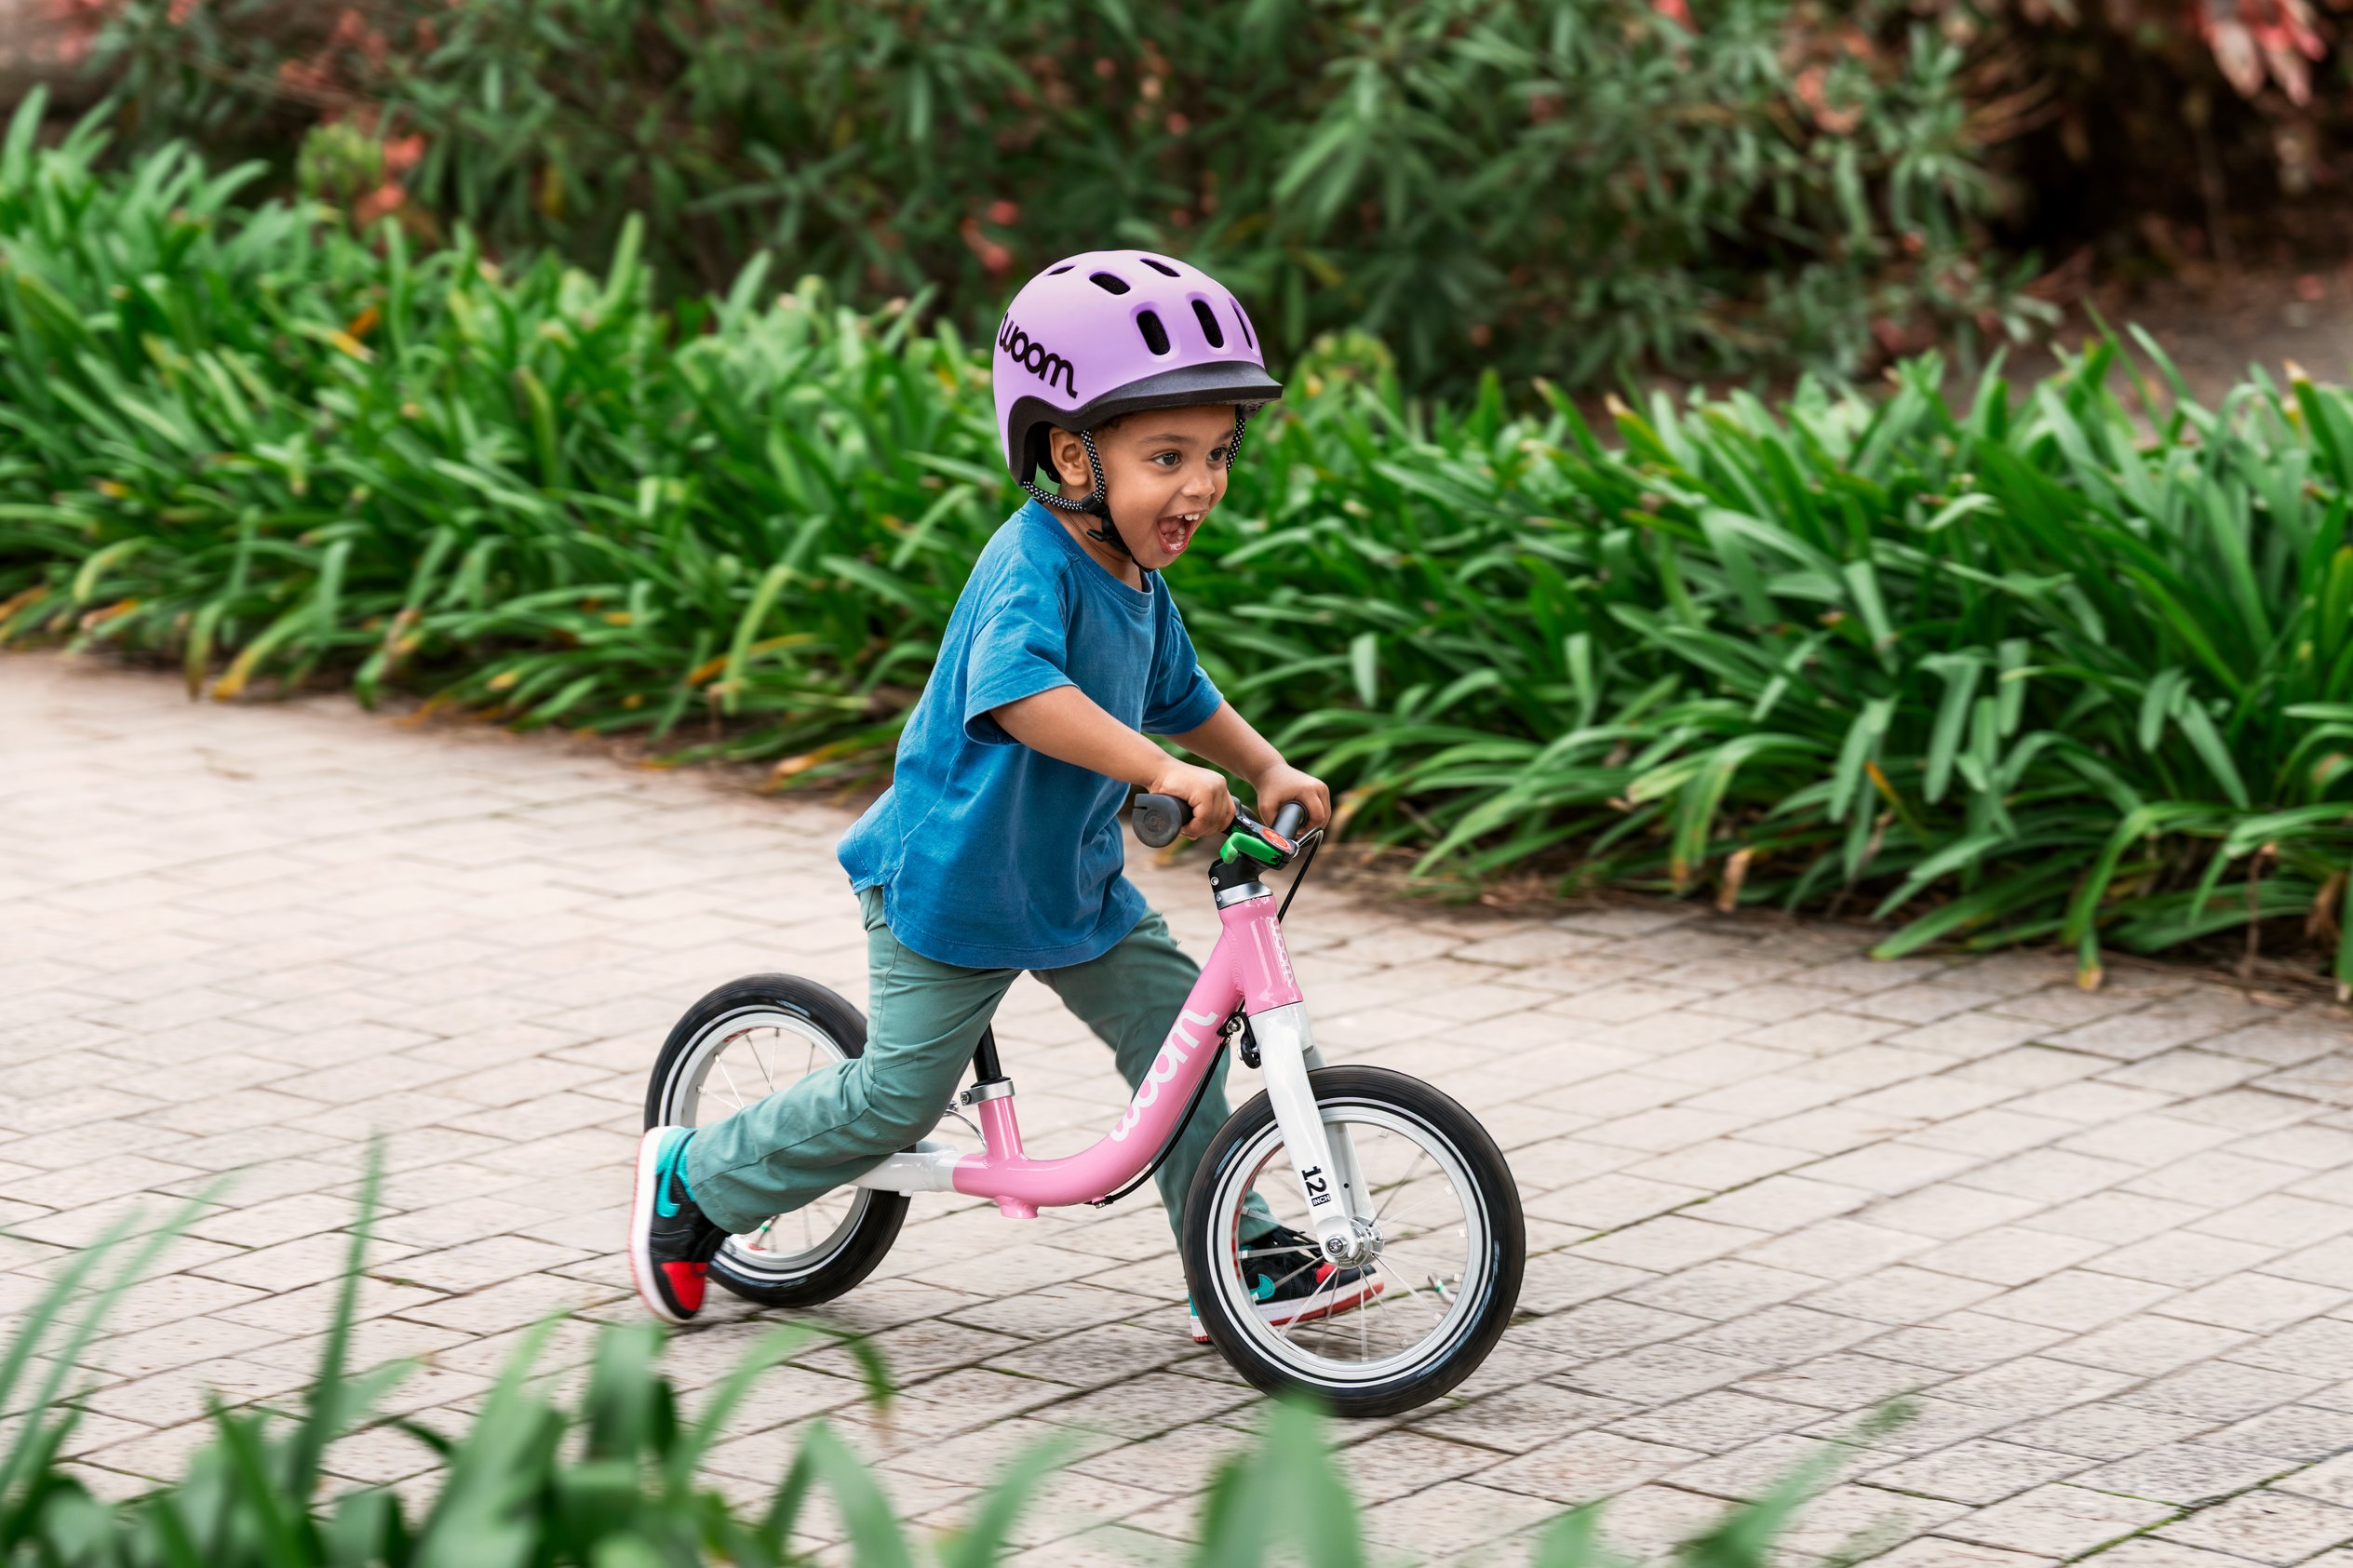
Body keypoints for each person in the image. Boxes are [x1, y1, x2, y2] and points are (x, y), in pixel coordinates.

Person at [628, 250, 1365, 1341]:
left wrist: (1260, 764)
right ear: (1070, 453)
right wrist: (1158, 772)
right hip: (954, 882)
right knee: (897, 1099)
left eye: (1216, 453)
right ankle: (698, 1182)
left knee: (1182, 1038)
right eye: (1167, 456)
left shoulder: (1135, 580)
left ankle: (1237, 1248)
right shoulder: (1029, 564)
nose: (1202, 484)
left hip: (1068, 883)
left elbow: (1179, 692)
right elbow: (1022, 695)